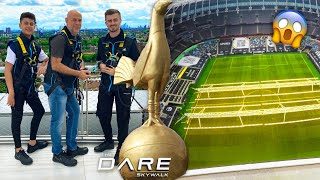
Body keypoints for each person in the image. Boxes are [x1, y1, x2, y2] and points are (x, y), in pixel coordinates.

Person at [43, 9, 90, 167]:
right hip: (56, 86)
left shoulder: (77, 38)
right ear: (66, 20)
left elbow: (78, 58)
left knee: (75, 112)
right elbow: (55, 65)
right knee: (57, 120)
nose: (77, 23)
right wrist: (78, 73)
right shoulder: (59, 39)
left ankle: (71, 147)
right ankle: (57, 153)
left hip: (67, 85)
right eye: (74, 20)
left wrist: (81, 68)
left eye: (80, 20)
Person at [94, 9, 140, 165]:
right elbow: (98, 60)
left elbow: (138, 67)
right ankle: (108, 140)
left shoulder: (130, 42)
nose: (112, 23)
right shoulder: (101, 41)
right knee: (102, 114)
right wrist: (100, 65)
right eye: (109, 21)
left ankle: (121, 148)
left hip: (123, 87)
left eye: (115, 20)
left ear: (120, 21)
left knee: (123, 118)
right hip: (105, 85)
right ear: (105, 22)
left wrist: (118, 71)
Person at [4, 12, 49, 165]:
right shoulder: (14, 45)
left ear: (35, 26)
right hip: (17, 89)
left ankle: (32, 143)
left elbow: (47, 59)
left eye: (31, 24)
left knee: (39, 111)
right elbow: (7, 70)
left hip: (30, 87)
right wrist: (10, 93)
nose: (29, 26)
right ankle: (18, 150)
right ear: (20, 25)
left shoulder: (35, 45)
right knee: (17, 118)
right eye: (26, 23)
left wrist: (43, 66)